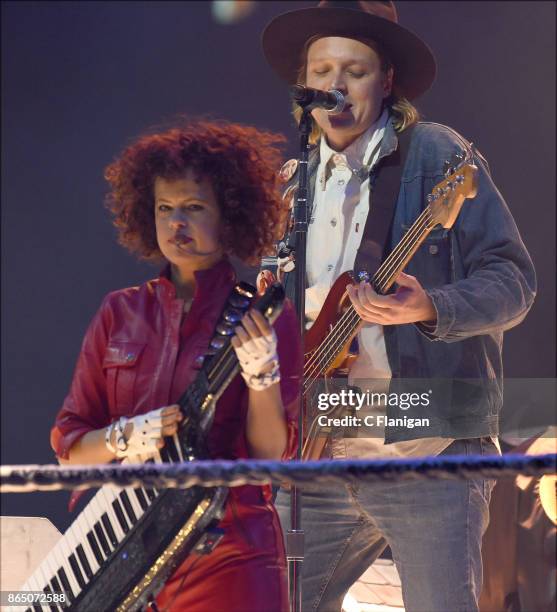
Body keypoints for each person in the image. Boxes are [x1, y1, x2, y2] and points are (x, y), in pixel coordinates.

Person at [260, 2, 537, 611]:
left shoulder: (436, 155)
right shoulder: (291, 184)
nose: (334, 85)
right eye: (322, 70)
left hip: (424, 453)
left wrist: (430, 306)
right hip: (319, 453)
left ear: (386, 80)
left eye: (353, 71)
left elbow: (514, 280)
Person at [50, 120, 302, 611]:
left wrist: (262, 378)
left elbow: (273, 458)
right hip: (122, 555)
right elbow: (69, 444)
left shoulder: (264, 315)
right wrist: (124, 436)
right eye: (165, 209)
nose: (175, 224)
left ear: (230, 217)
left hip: (229, 557)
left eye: (193, 208)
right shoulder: (118, 311)